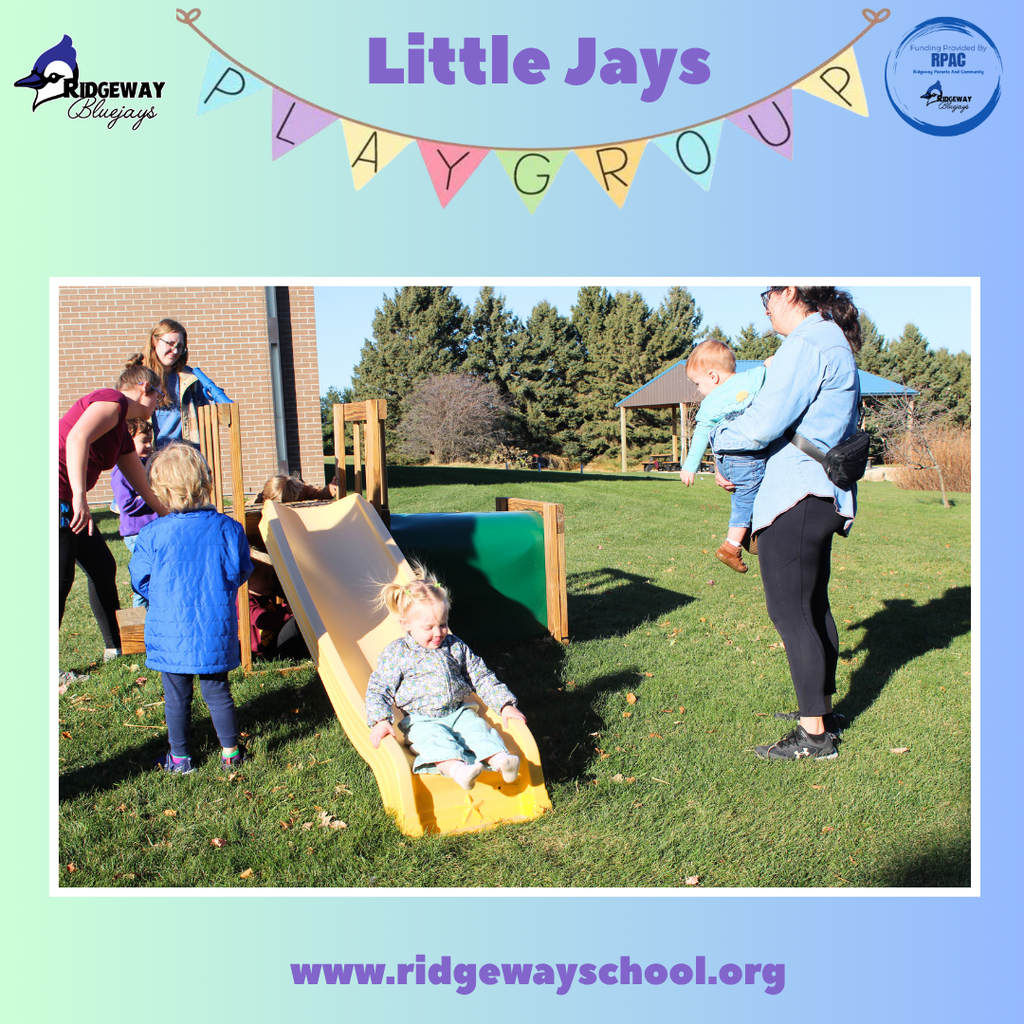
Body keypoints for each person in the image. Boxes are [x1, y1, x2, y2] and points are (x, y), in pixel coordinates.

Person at [713, 286, 862, 761]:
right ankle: (820, 711)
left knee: (791, 612)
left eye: (768, 296)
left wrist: (720, 438)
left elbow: (761, 422)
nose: (765, 307)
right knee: (813, 606)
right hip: (820, 493)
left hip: (796, 493)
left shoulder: (808, 342)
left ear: (791, 291)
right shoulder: (832, 339)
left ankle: (814, 735)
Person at [129, 443, 253, 774]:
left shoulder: (153, 533)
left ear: (162, 491)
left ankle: (181, 758)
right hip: (215, 628)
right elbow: (240, 571)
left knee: (176, 698)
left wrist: (163, 596)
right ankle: (230, 752)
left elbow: (139, 579)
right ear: (204, 483)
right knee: (218, 692)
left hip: (171, 631)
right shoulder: (229, 528)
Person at [365, 567, 525, 791]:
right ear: (406, 625)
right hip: (421, 720)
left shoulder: (455, 645)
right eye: (428, 627)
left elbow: (481, 676)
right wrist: (380, 719)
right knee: (435, 742)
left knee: (479, 730)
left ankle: (501, 761)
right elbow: (378, 688)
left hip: (458, 712)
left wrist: (504, 704)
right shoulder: (397, 653)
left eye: (442, 624)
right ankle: (459, 771)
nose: (438, 633)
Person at [58, 364, 169, 662]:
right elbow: (76, 438)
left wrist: (171, 515)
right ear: (145, 387)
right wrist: (80, 498)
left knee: (102, 567)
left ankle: (116, 646)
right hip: (56, 496)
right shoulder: (113, 401)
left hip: (68, 500)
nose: (160, 403)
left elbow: (142, 482)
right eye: (159, 395)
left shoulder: (120, 429)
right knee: (58, 580)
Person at [679, 340, 769, 573]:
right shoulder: (750, 378)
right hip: (747, 456)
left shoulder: (709, 404)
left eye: (698, 383)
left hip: (727, 460)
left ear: (713, 376)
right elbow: (769, 366)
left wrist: (690, 467)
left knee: (743, 498)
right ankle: (732, 545)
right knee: (746, 500)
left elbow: (701, 436)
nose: (698, 389)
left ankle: (748, 533)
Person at [131, 318, 209, 449]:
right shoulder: (136, 378)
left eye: (180, 346)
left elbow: (205, 420)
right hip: (149, 458)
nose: (175, 351)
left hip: (184, 457)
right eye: (170, 343)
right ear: (154, 341)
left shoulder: (191, 380)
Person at [109, 419, 159, 607]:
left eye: (150, 440)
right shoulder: (122, 470)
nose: (149, 445)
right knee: (147, 575)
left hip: (151, 531)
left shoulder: (147, 463)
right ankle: (139, 616)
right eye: (143, 441)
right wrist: (153, 496)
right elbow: (127, 504)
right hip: (136, 534)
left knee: (154, 573)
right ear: (127, 441)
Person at [246, 550, 310, 661]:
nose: (271, 582)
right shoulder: (245, 601)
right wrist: (288, 610)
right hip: (264, 653)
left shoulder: (263, 597)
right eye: (265, 577)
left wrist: (290, 607)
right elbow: (262, 621)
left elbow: (276, 609)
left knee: (303, 615)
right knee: (297, 620)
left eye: (271, 577)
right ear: (247, 580)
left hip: (274, 644)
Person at [255, 473, 340, 504]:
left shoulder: (301, 490)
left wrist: (331, 489)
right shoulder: (263, 496)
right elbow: (250, 504)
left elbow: (319, 492)